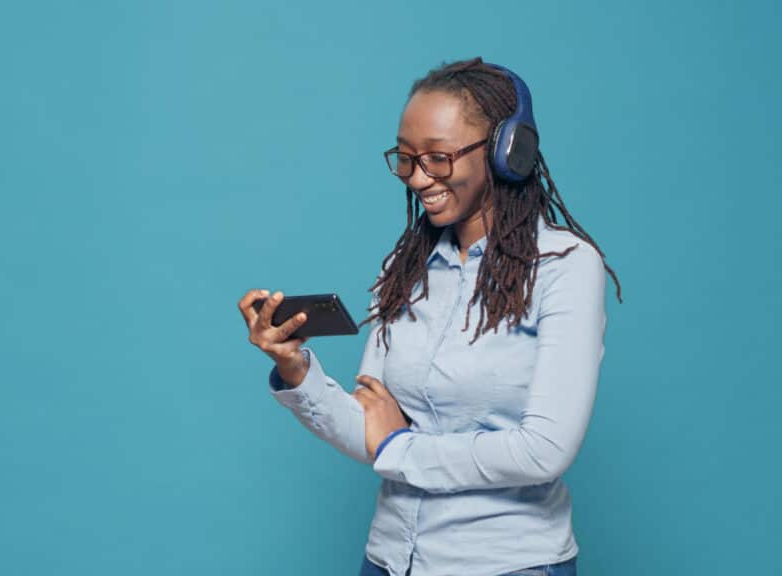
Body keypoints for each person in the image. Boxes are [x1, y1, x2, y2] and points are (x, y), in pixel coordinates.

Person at [236, 57, 621, 576]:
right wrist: (296, 371)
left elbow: (543, 451)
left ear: (509, 152)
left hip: (505, 565)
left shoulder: (566, 267)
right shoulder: (405, 267)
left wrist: (401, 446)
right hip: (390, 560)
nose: (417, 178)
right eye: (405, 158)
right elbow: (371, 431)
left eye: (438, 158)